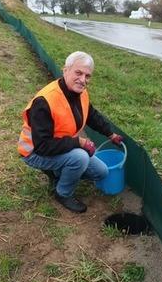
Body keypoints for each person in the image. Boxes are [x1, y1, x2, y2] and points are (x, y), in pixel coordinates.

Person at [17, 51, 123, 213]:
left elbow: (92, 115)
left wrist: (111, 134)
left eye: (87, 76)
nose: (83, 80)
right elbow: (43, 146)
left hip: (61, 145)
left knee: (101, 172)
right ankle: (62, 193)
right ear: (65, 70)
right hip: (34, 151)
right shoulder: (45, 101)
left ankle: (59, 172)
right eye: (78, 73)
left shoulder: (80, 92)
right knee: (79, 158)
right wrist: (78, 142)